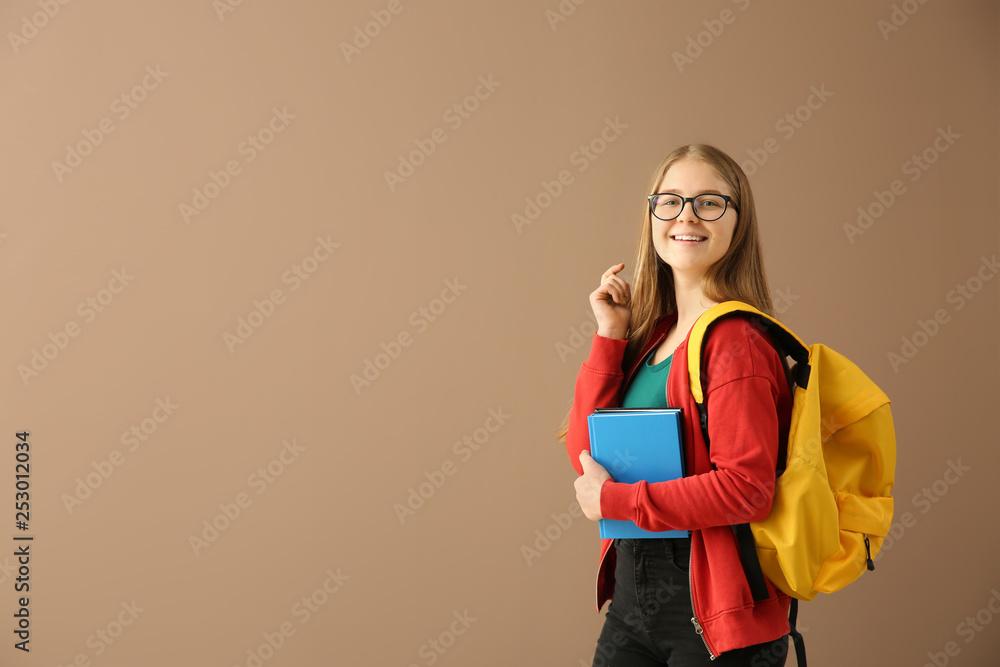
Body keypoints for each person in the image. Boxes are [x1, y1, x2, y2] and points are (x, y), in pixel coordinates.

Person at [559, 144, 794, 666]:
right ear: (652, 215)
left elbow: (747, 490)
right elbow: (586, 454)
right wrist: (611, 336)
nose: (686, 215)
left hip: (717, 601)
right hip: (633, 590)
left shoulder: (736, 342)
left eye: (709, 202)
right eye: (670, 201)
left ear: (738, 221)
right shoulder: (654, 337)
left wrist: (618, 503)